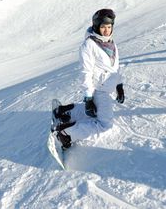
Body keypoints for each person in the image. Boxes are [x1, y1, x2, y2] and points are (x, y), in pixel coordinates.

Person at [53, 8, 125, 149]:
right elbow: (86, 72)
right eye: (103, 27)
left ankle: (66, 111)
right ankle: (66, 134)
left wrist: (119, 85)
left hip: (107, 86)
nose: (106, 30)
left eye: (109, 27)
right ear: (96, 26)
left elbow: (115, 67)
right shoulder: (89, 45)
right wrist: (88, 98)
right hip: (99, 89)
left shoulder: (111, 43)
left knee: (96, 112)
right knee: (105, 125)